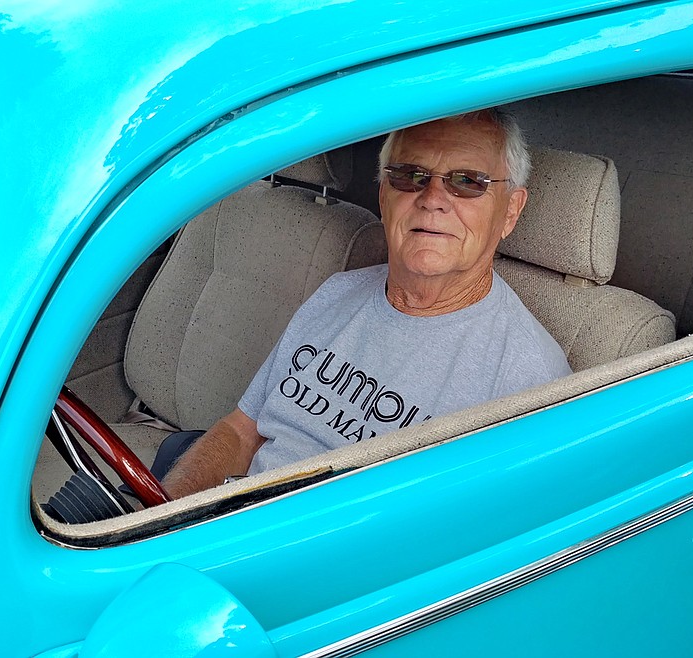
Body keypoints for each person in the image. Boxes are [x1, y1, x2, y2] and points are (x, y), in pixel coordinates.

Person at [161, 109, 571, 499]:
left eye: (467, 181)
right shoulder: (338, 292)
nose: (432, 199)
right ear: (383, 195)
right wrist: (165, 509)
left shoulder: (530, 383)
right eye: (410, 176)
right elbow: (242, 429)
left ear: (511, 212)